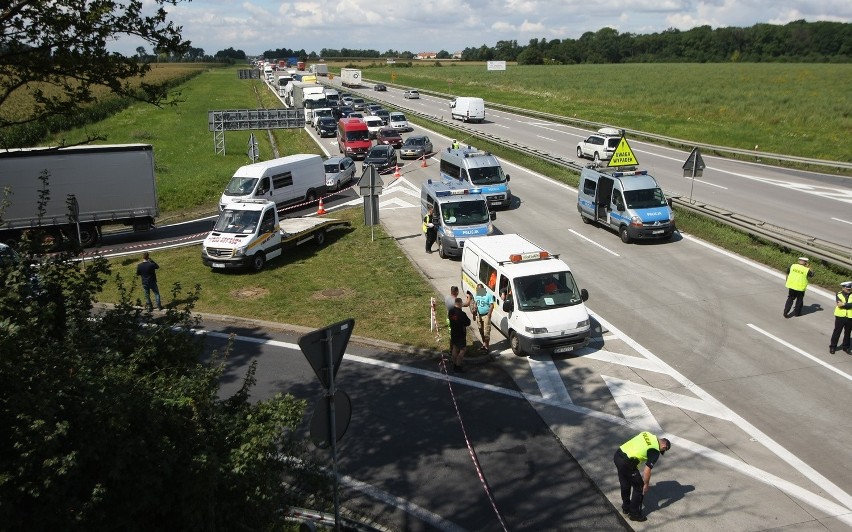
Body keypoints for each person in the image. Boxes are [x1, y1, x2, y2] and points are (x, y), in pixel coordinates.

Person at [613, 431, 672, 523]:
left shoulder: (647, 434)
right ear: (664, 447)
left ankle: (626, 508)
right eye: (662, 450)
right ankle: (634, 514)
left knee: (625, 484)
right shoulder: (655, 451)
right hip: (627, 463)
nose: (661, 451)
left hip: (618, 455)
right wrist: (646, 484)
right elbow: (647, 470)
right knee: (639, 487)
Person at [448, 297, 471, 372]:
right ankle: (458, 365)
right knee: (463, 349)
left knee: (454, 348)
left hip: (453, 332)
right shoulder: (462, 314)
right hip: (460, 334)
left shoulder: (451, 311)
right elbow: (468, 322)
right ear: (460, 304)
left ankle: (454, 364)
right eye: (462, 303)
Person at [829, 281, 852, 354]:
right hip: (840, 316)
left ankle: (846, 347)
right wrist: (848, 305)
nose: (849, 290)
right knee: (837, 332)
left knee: (848, 333)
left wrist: (844, 304)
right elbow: (839, 305)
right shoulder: (839, 294)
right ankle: (833, 347)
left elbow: (844, 305)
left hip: (850, 317)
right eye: (847, 289)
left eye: (850, 289)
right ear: (843, 288)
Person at [473, 283, 495, 353]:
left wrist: (489, 314)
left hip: (486, 315)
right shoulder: (477, 294)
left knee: (486, 332)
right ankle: (484, 344)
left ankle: (487, 347)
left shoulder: (488, 295)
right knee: (481, 330)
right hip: (479, 315)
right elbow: (475, 304)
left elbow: (492, 305)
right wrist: (474, 313)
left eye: (479, 290)